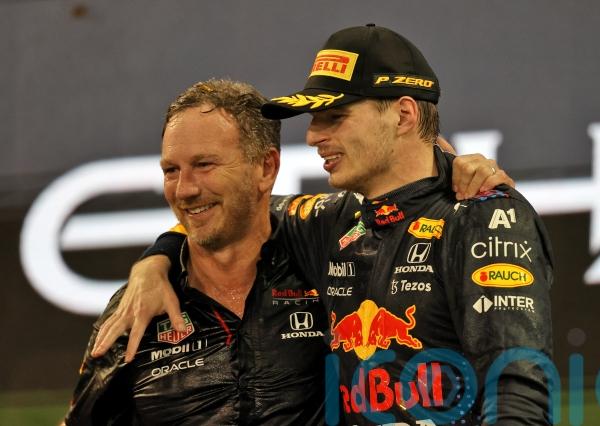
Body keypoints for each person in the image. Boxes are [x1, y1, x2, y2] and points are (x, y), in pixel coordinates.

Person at [88, 26, 535, 425]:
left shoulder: (484, 216)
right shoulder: (327, 223)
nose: (313, 136)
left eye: (334, 117)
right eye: (314, 118)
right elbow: (232, 210)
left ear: (403, 115)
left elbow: (518, 392)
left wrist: (455, 168)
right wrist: (159, 257)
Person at [64, 80, 330, 425]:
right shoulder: (135, 310)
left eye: (204, 165)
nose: (184, 190)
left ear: (266, 168)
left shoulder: (328, 268)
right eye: (171, 171)